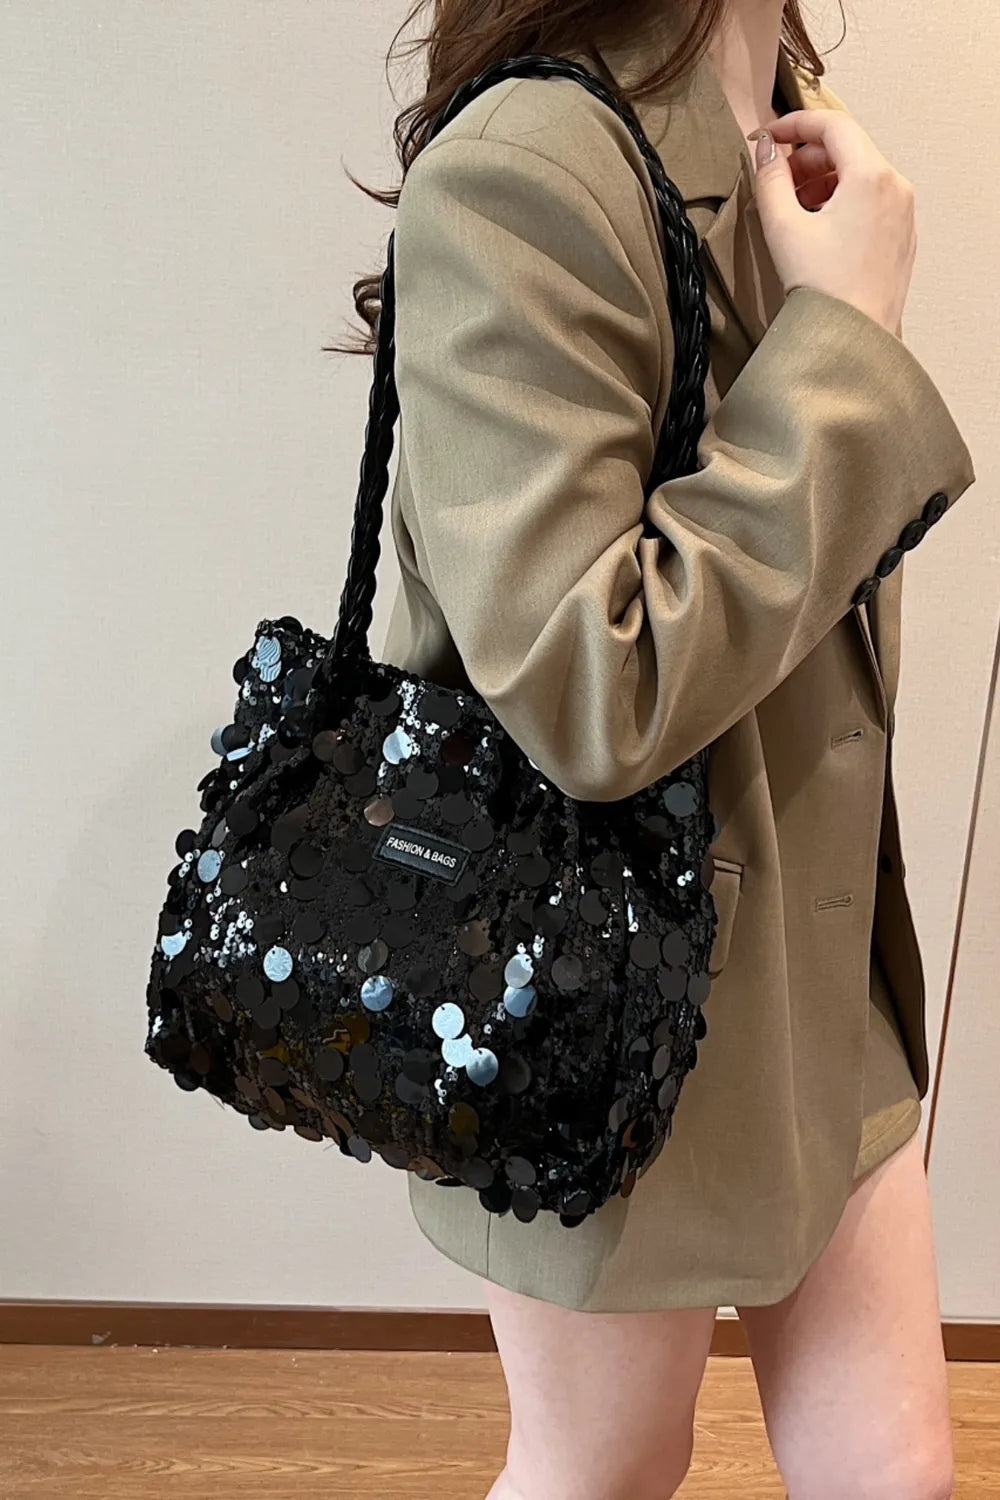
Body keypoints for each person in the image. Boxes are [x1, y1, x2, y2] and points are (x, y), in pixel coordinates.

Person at [337, 0, 976, 1494]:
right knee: (606, 1469)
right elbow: (589, 686)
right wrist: (842, 343)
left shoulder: (791, 111)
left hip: (816, 963)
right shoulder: (530, 165)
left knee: (896, 1475)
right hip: (603, 988)